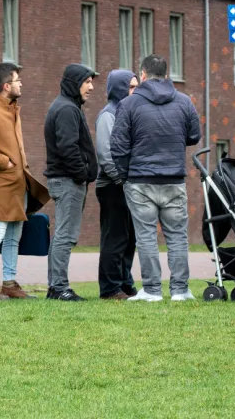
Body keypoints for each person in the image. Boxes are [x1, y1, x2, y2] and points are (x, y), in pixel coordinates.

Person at [111, 54, 201, 302]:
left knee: (146, 236)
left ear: (142, 75)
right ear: (166, 74)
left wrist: (125, 175)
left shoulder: (128, 105)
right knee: (177, 236)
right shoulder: (184, 102)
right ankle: (180, 290)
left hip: (139, 180)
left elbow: (118, 147)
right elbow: (194, 135)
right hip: (174, 179)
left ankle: (151, 290)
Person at [0, 63, 49, 301]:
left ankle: (10, 284)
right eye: (17, 80)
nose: (21, 83)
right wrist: (4, 162)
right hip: (0, 186)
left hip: (18, 186)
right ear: (6, 86)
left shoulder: (12, 108)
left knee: (14, 236)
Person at [43, 63, 99, 302]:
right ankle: (58, 287)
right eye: (87, 82)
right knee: (65, 235)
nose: (91, 87)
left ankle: (57, 286)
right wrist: (82, 174)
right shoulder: (66, 109)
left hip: (67, 180)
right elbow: (68, 148)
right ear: (75, 83)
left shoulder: (68, 106)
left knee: (62, 235)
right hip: (68, 181)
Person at [94, 70, 139, 300]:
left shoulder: (130, 113)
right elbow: (105, 155)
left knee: (130, 238)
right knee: (115, 237)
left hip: (129, 185)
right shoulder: (108, 115)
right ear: (119, 88)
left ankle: (124, 282)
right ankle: (110, 288)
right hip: (113, 187)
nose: (135, 91)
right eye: (131, 87)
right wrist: (123, 181)